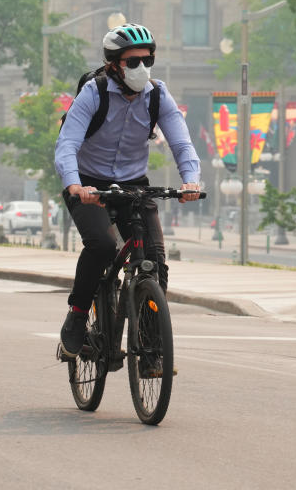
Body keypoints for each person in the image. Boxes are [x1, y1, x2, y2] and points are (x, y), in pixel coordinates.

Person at [54, 23, 201, 359]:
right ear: (113, 65)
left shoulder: (158, 95)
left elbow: (181, 141)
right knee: (103, 246)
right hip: (88, 183)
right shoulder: (94, 92)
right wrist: (75, 184)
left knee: (154, 260)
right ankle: (77, 316)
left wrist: (191, 180)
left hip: (134, 184)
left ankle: (150, 342)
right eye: (132, 62)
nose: (141, 69)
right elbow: (68, 143)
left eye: (147, 60)